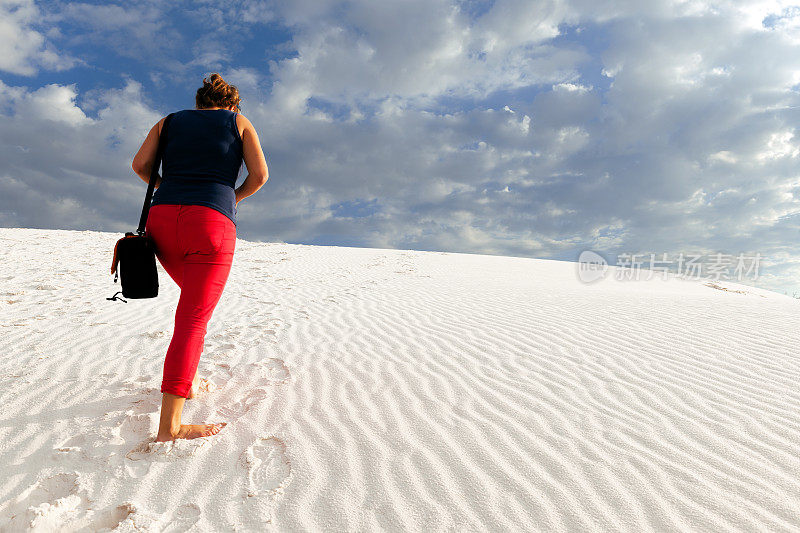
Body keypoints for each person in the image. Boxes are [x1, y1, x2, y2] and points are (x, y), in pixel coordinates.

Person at [131, 73, 269, 441]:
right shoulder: (238, 122)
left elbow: (140, 167)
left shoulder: (169, 121)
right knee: (192, 321)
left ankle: (184, 383)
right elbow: (260, 175)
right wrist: (228, 198)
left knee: (193, 310)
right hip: (210, 223)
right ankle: (170, 427)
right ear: (233, 104)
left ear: (198, 103)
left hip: (162, 221)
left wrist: (170, 188)